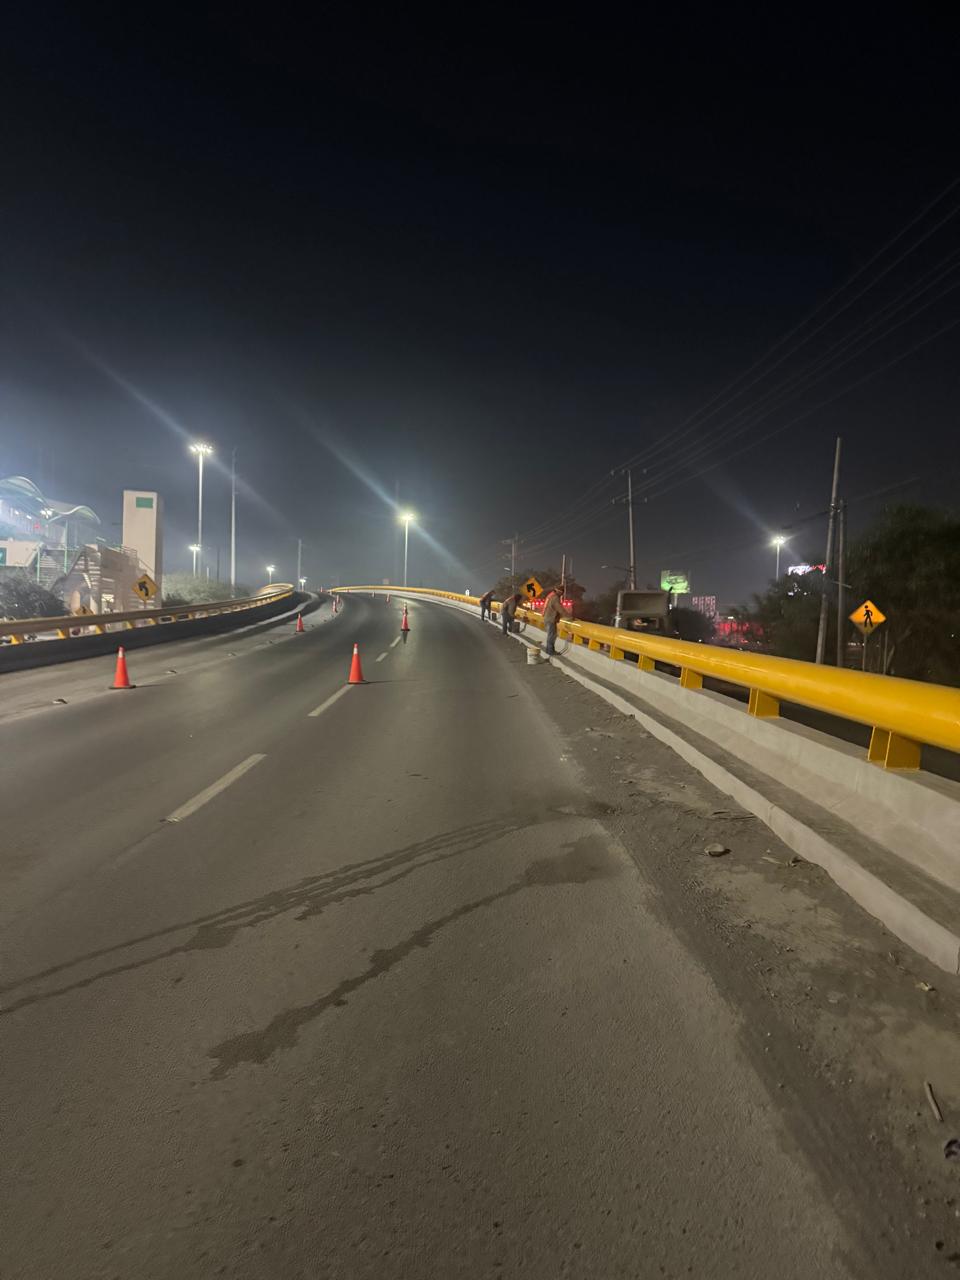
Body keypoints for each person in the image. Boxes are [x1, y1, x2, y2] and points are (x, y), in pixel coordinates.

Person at [542, 586, 568, 655]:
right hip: (550, 619)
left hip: (547, 618)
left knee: (551, 635)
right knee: (552, 635)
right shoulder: (555, 598)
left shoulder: (551, 595)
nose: (562, 595)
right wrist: (568, 616)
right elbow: (560, 609)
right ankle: (550, 651)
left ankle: (549, 650)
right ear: (560, 591)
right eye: (562, 593)